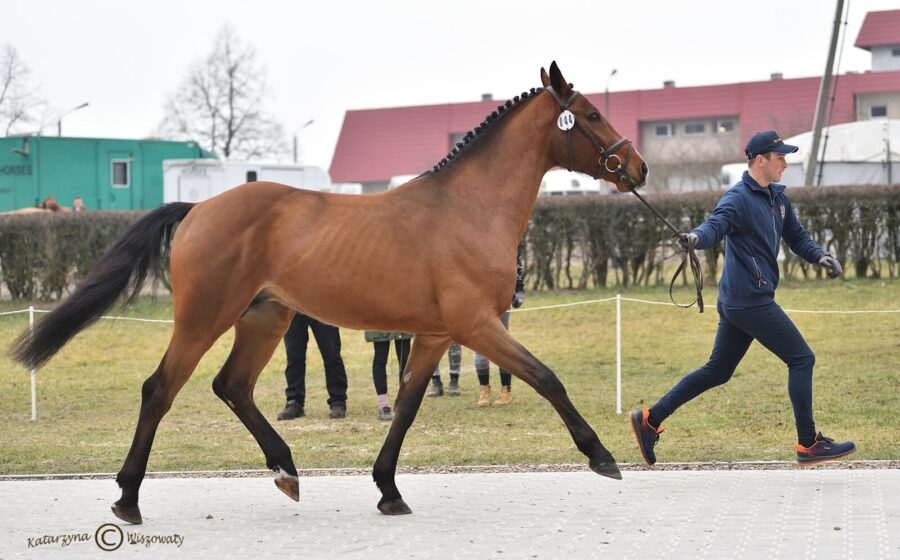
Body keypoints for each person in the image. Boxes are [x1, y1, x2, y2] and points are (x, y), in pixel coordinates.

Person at [630, 130, 854, 467]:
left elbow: (796, 235)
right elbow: (714, 226)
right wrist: (695, 238)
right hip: (750, 299)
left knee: (718, 370)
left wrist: (818, 255)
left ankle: (650, 419)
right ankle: (808, 444)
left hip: (741, 299)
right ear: (760, 160)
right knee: (802, 359)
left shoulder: (778, 198)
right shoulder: (737, 198)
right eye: (780, 158)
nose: (786, 163)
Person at [473, 247, 526, 407]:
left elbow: (516, 262)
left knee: (503, 342)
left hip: (502, 297)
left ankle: (506, 390)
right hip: (479, 298)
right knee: (479, 343)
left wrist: (519, 289)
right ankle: (484, 389)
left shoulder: (505, 239)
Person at [276, 312, 348, 420]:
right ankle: (294, 402)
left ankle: (338, 401)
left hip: (321, 304)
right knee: (294, 356)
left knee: (331, 354)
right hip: (294, 306)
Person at [366, 331, 412, 421]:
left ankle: (404, 403)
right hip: (380, 322)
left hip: (403, 321)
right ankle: (383, 405)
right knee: (380, 358)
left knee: (405, 360)